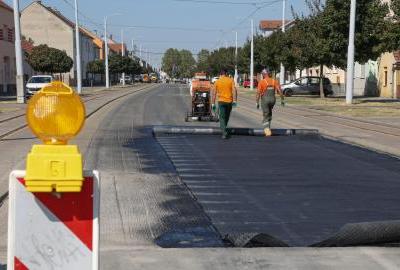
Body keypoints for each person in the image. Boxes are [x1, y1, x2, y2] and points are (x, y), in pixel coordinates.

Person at [256, 69, 285, 136]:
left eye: (262, 74)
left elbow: (258, 93)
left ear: (264, 74)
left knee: (266, 114)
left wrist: (257, 102)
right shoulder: (274, 81)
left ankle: (267, 130)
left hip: (265, 100)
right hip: (273, 100)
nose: (262, 75)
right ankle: (269, 127)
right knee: (269, 113)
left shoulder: (262, 82)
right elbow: (279, 91)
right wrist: (282, 100)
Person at [212, 70, 237, 139]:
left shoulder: (217, 81)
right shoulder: (230, 80)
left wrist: (213, 103)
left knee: (222, 117)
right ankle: (224, 129)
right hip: (229, 101)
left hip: (221, 102)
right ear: (226, 73)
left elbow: (214, 93)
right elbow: (234, 90)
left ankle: (224, 132)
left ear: (220, 74)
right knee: (227, 116)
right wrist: (235, 101)